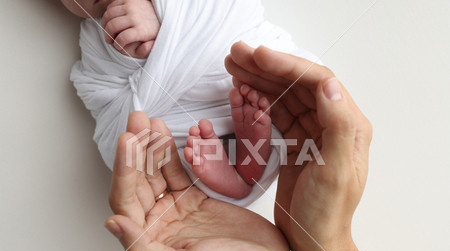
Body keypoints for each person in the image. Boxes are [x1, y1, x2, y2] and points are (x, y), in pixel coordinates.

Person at [105, 43, 401, 251]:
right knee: (258, 92)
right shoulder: (94, 50)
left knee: (156, 136)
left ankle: (241, 169)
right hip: (208, 129)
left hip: (187, 141)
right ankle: (243, 169)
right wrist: (323, 243)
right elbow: (96, 86)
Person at [61, 0, 318, 205]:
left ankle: (247, 160)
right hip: (178, 120)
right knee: (134, 151)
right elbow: (102, 98)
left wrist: (163, 17)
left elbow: (230, 8)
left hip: (229, 71)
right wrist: (130, 59)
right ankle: (233, 177)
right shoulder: (92, 39)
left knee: (288, 77)